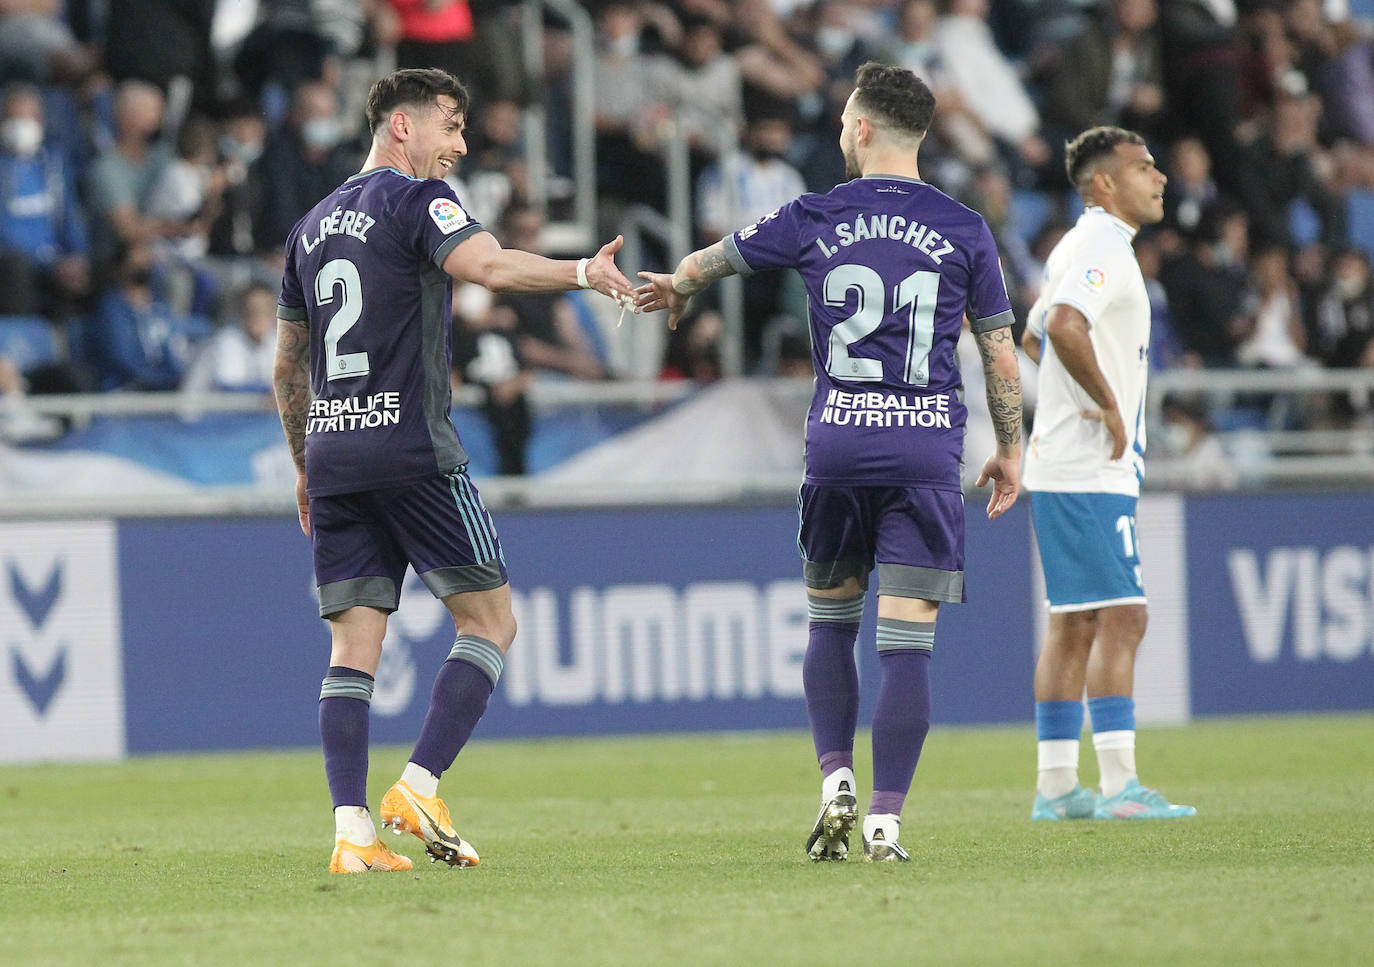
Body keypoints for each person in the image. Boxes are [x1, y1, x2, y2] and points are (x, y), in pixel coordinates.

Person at [635, 62, 1023, 862]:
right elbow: (1000, 354)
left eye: (847, 120)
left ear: (864, 128)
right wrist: (1012, 448)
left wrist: (676, 285)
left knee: (830, 623)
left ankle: (835, 780)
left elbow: (719, 259)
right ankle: (885, 818)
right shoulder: (964, 227)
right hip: (924, 449)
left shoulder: (816, 213)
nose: (843, 129)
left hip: (839, 443)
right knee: (907, 642)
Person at [273, 67, 636, 874]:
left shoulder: (309, 227)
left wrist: (305, 464)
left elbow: (287, 369)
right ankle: (420, 784)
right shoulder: (416, 202)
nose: (461, 144)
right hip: (410, 449)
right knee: (490, 622)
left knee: (350, 652)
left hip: (333, 454)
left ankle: (352, 833)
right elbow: (491, 268)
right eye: (450, 125)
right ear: (402, 127)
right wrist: (585, 272)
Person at [1019, 125, 1195, 822]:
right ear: (1105, 183)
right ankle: (1121, 786)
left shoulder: (1077, 244)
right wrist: (1104, 404)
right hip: (1088, 468)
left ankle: (1058, 787)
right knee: (1125, 615)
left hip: (1065, 460)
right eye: (1144, 168)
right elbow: (1062, 325)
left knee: (1075, 624)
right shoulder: (1102, 249)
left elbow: (1035, 332)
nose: (1160, 178)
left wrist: (1072, 405)